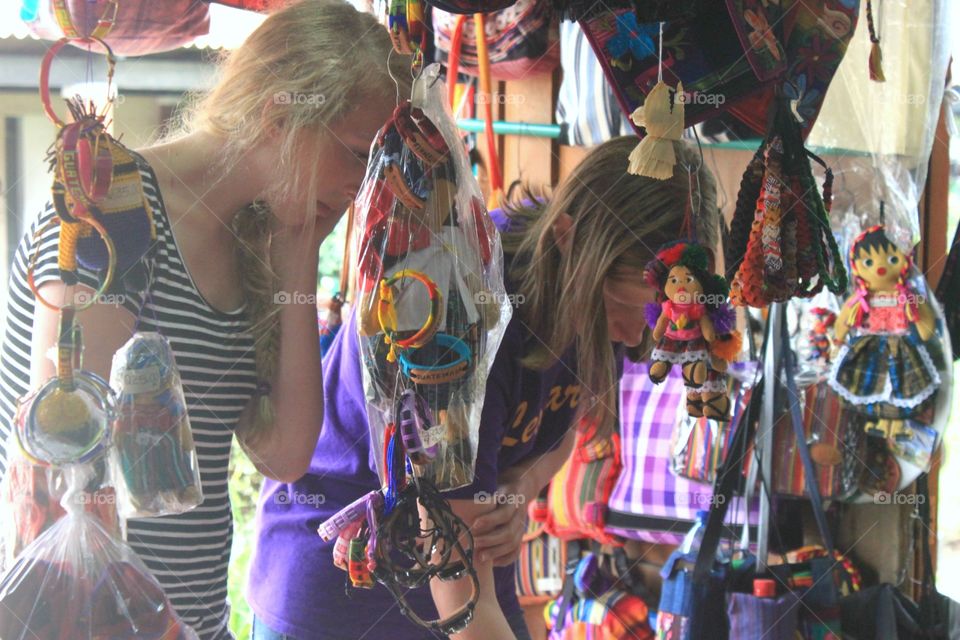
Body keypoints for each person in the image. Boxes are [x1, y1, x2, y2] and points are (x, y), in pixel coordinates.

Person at [0, 2, 408, 638]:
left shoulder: (250, 240)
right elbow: (70, 458)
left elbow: (286, 455)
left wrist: (298, 261)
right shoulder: (115, 210)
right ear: (281, 114)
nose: (363, 186)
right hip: (94, 618)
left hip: (190, 619)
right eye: (358, 154)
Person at [247, 135, 720, 640]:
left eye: (660, 320)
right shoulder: (460, 316)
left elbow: (559, 428)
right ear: (567, 239)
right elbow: (462, 600)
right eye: (625, 311)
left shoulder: (597, 293)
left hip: (454, 568)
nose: (637, 339)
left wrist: (521, 488)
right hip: (341, 586)